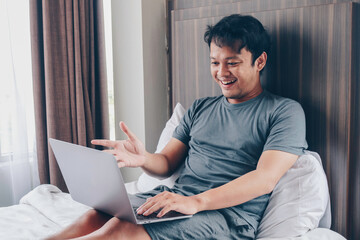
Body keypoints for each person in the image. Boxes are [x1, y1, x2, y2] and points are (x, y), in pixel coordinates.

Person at [47, 14, 307, 240]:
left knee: (119, 231)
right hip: (175, 198)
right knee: (97, 216)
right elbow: (167, 164)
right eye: (215, 62)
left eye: (233, 62)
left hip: (228, 217)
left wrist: (196, 202)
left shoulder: (284, 112)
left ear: (259, 61)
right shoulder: (200, 108)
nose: (221, 72)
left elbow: (264, 179)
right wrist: (143, 158)